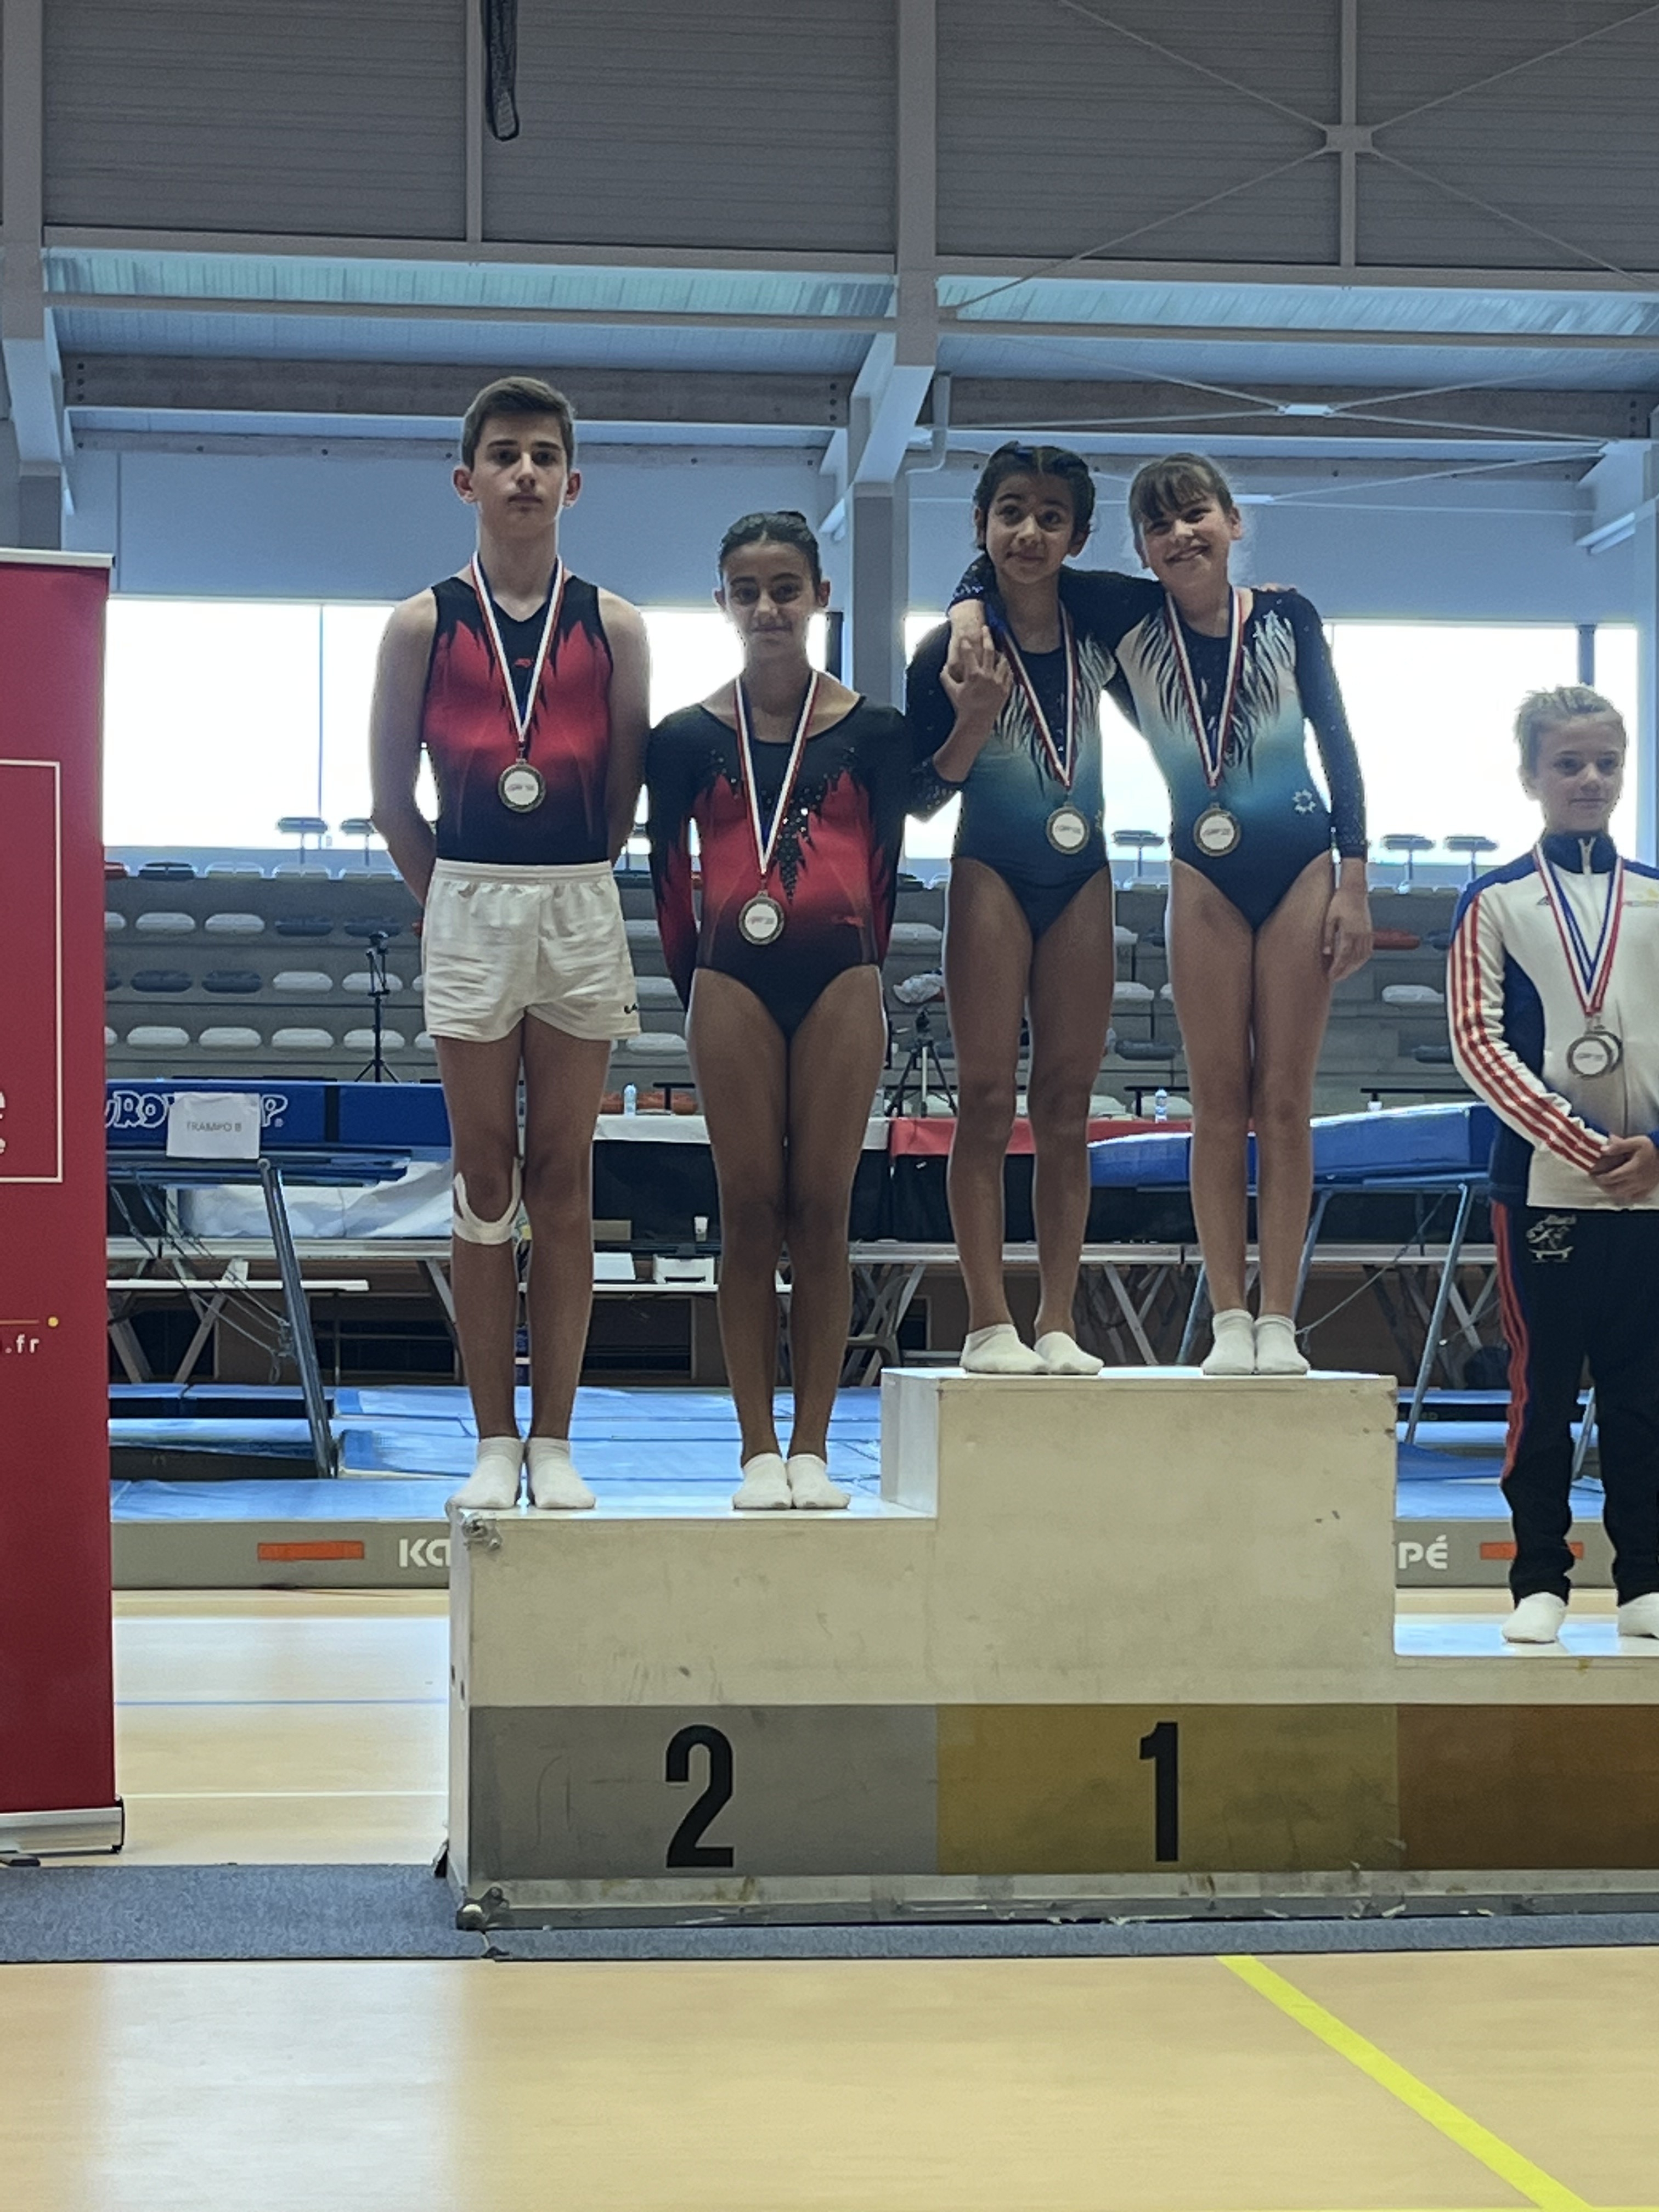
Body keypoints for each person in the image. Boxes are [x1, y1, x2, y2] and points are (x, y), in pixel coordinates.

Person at [949, 450, 1372, 1376]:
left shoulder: (1289, 616)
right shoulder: (1126, 619)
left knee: (1287, 1102)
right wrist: (966, 607)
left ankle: (1280, 1316)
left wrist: (1355, 877)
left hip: (1300, 862)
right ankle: (1229, 1314)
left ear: (1233, 522)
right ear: (1138, 549)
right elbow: (1010, 558)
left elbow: (1336, 741)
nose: (1182, 535)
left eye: (1197, 516)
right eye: (1161, 525)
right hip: (1203, 873)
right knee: (1220, 1100)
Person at [370, 375, 650, 1511]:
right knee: (485, 1180)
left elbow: (624, 796)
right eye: (504, 455)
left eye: (544, 456)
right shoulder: (420, 623)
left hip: (579, 892)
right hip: (470, 894)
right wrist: (454, 903)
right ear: (467, 479)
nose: (525, 473)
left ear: (572, 483)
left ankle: (557, 1441)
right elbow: (393, 798)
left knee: (564, 1178)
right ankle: (492, 1437)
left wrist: (550, 893)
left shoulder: (616, 625)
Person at [647, 512, 919, 1508]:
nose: (768, 607)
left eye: (786, 588)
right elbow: (667, 877)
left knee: (825, 1214)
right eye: (748, 591)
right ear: (721, 602)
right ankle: (756, 1448)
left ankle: (814, 1446)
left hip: (844, 975)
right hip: (727, 980)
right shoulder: (682, 738)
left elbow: (886, 868)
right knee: (749, 1212)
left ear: (820, 596)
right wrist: (700, 985)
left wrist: (863, 966)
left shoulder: (875, 732)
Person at [906, 444, 1124, 1378]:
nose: (1028, 532)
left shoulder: (1104, 624)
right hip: (990, 863)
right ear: (980, 524)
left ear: (1079, 533)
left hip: (1084, 872)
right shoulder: (948, 648)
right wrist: (974, 714)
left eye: (1049, 516)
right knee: (989, 1100)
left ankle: (1060, 1320)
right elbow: (917, 798)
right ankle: (989, 1318)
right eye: (1009, 512)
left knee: (1067, 1105)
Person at [1447, 685, 1659, 1645]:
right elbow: (1477, 1044)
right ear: (1530, 775)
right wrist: (1584, 1146)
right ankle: (1540, 1577)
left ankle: (1647, 1580)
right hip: (1543, 1187)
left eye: (1605, 763)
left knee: (1644, 1393)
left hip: (1653, 1189)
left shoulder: (1656, 897)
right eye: (1567, 764)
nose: (1588, 780)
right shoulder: (1493, 900)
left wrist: (1657, 1155)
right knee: (1543, 1390)